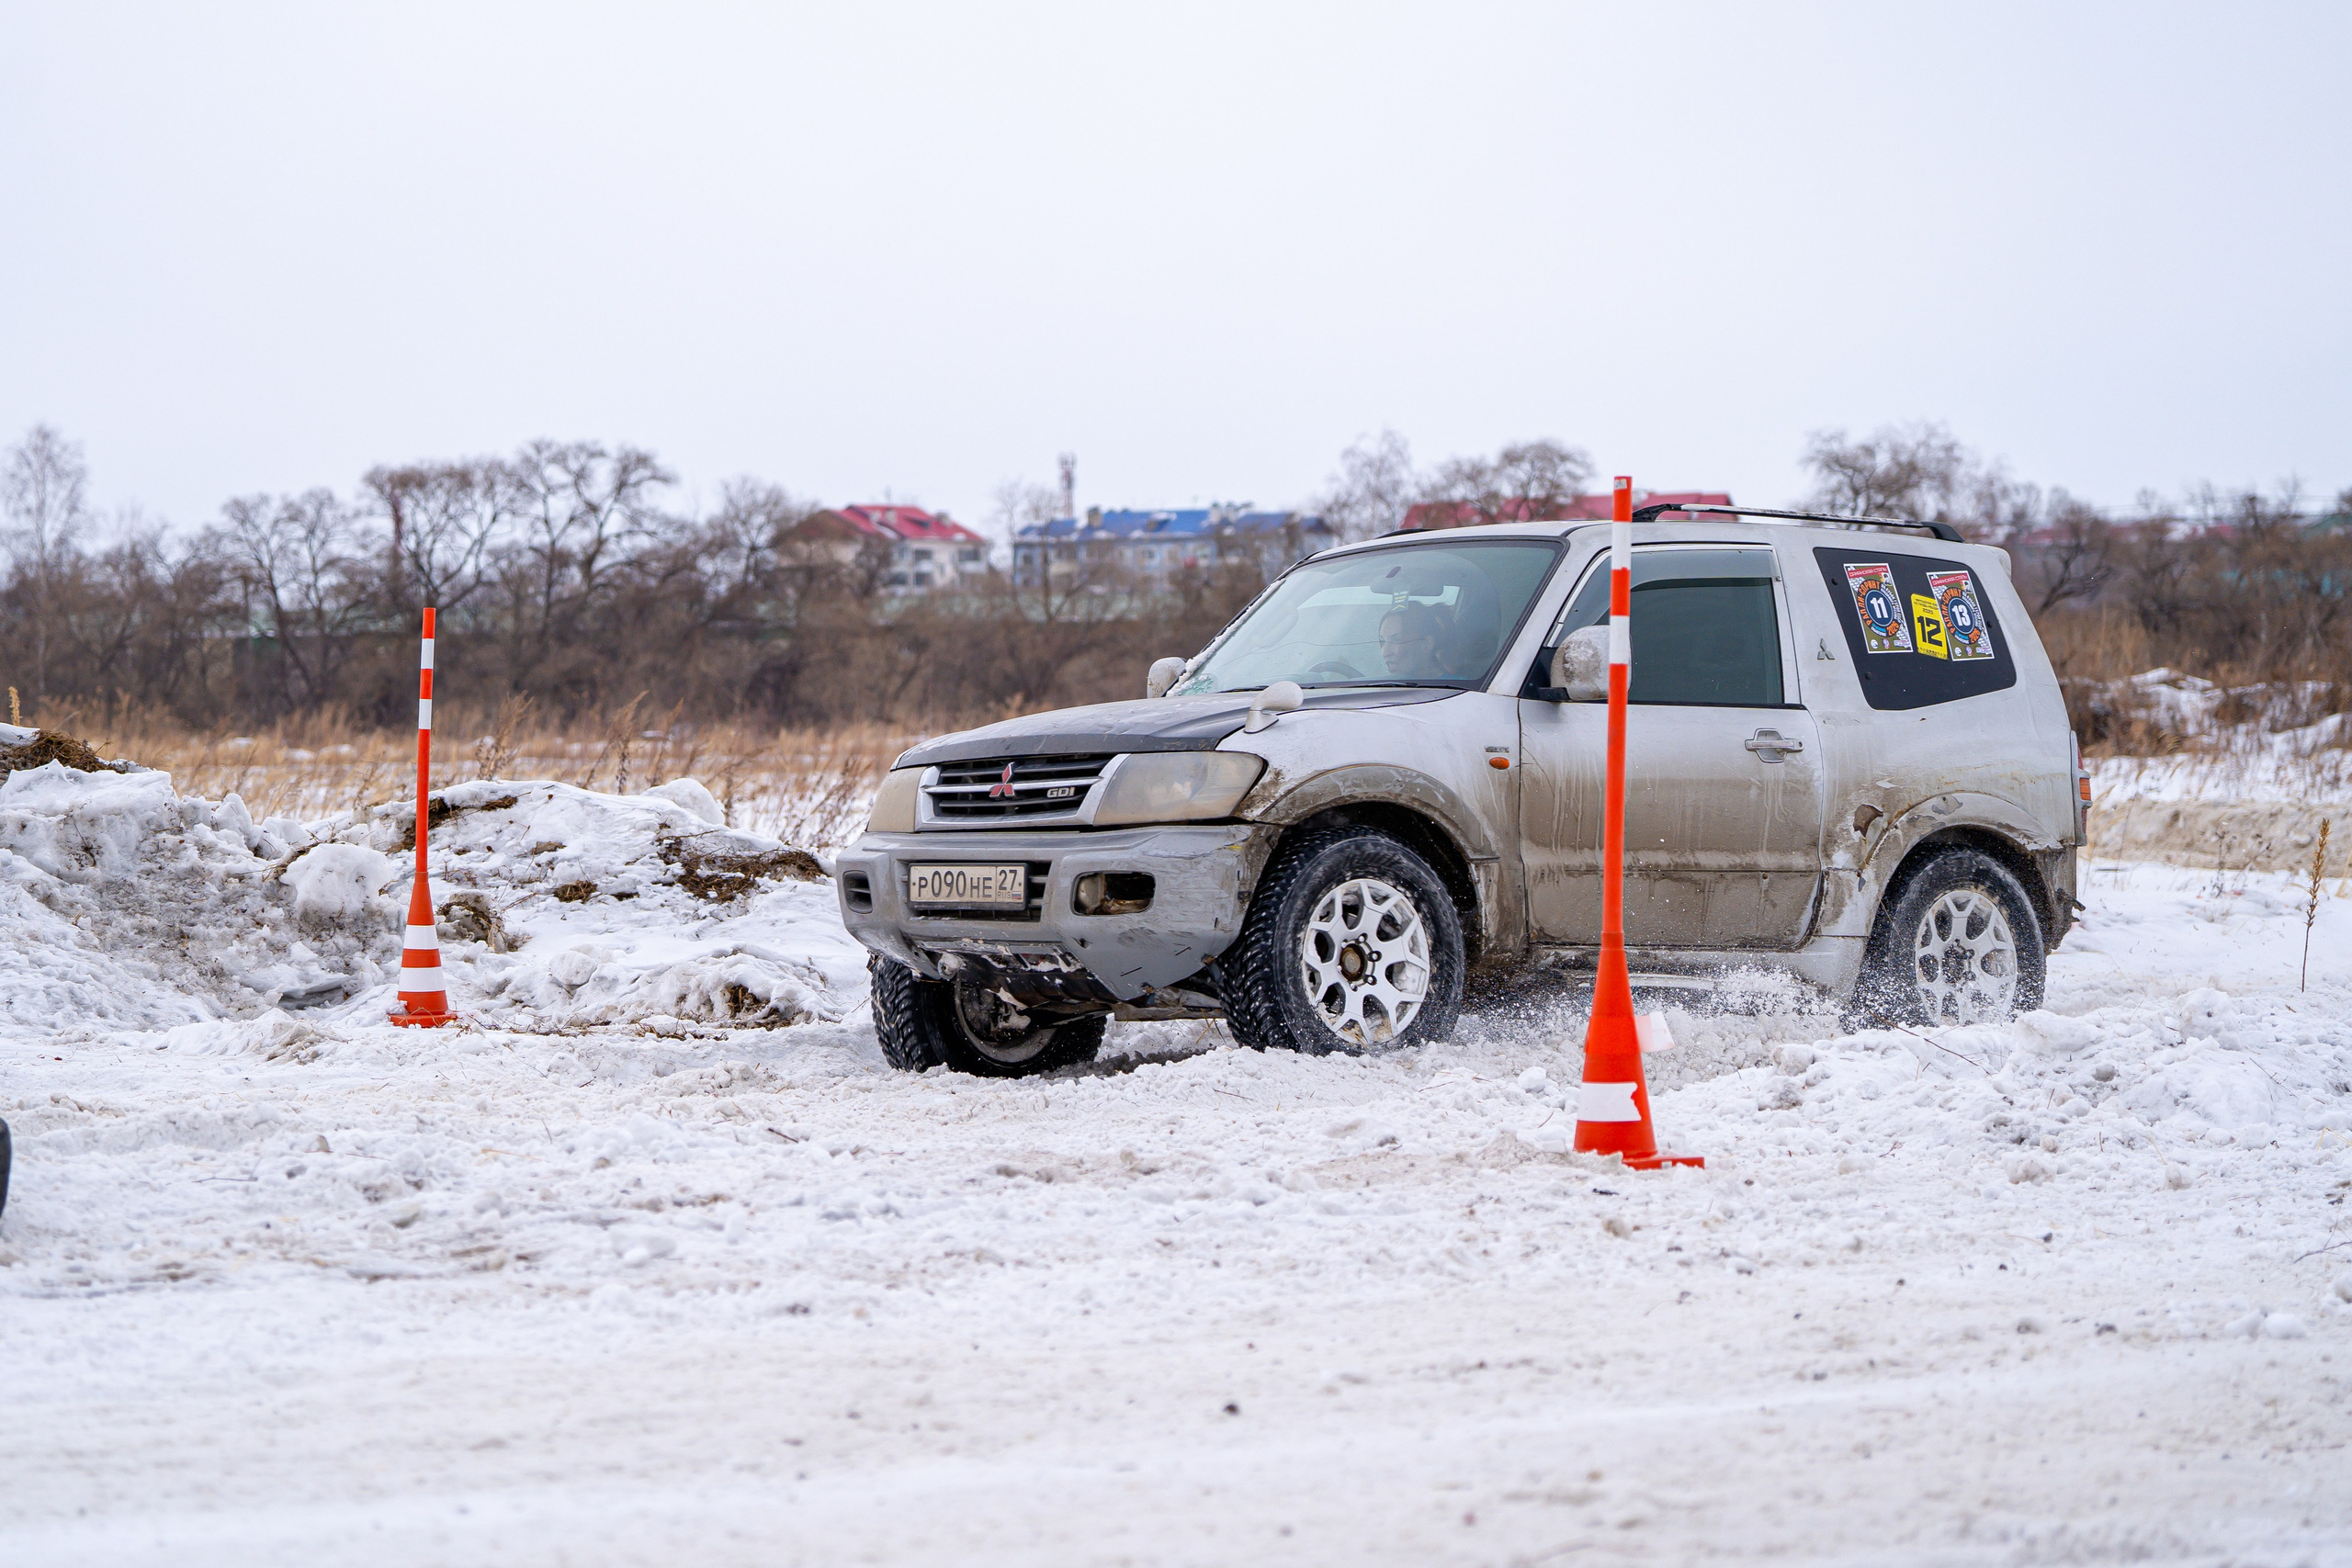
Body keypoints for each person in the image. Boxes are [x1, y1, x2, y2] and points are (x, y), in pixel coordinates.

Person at [1378, 602, 1447, 679]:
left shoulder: (1457, 687)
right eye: (1382, 642)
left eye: (1397, 640)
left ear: (1427, 644)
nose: (1385, 652)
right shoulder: (1387, 685)